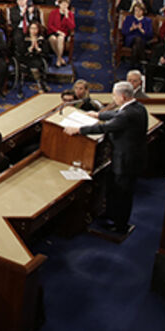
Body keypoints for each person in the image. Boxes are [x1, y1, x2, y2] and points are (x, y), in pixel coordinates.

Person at [64, 81, 148, 235]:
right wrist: (98, 114)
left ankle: (120, 226)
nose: (113, 98)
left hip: (126, 160)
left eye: (114, 96)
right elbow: (116, 114)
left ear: (122, 96)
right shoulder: (138, 107)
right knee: (117, 189)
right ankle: (112, 214)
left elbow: (105, 127)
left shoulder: (128, 114)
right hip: (133, 156)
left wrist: (79, 129)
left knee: (123, 193)